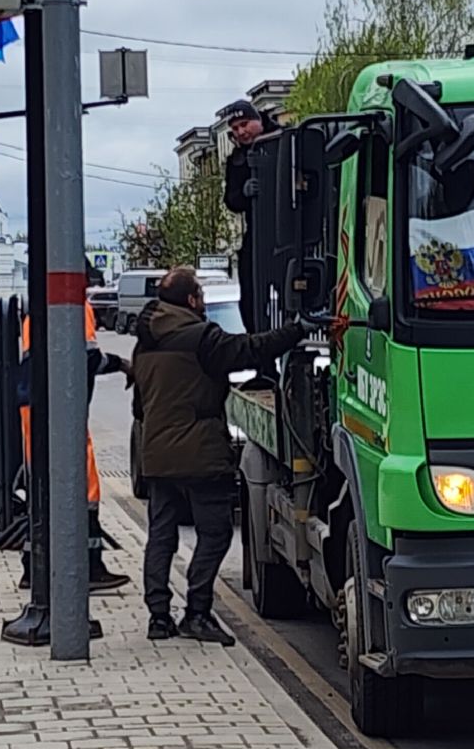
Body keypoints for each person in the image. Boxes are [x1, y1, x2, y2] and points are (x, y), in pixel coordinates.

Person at [133, 267, 309, 644]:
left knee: (161, 535)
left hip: (157, 455)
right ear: (192, 300)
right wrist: (297, 330)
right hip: (199, 454)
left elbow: (139, 407)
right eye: (199, 294)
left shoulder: (145, 343)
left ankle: (158, 617)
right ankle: (197, 612)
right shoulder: (202, 338)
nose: (202, 301)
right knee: (214, 533)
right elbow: (250, 349)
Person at [17, 299, 134, 592]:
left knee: (41, 484)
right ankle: (91, 565)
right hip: (63, 408)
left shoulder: (37, 310)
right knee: (85, 487)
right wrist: (121, 364)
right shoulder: (75, 306)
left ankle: (33, 567)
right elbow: (88, 358)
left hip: (32, 404)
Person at [221, 99, 276, 331]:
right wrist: (243, 193)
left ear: (258, 120)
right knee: (251, 293)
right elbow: (231, 200)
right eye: (235, 129)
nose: (241, 132)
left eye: (244, 124)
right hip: (257, 234)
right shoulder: (237, 160)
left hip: (291, 230)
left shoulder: (286, 140)